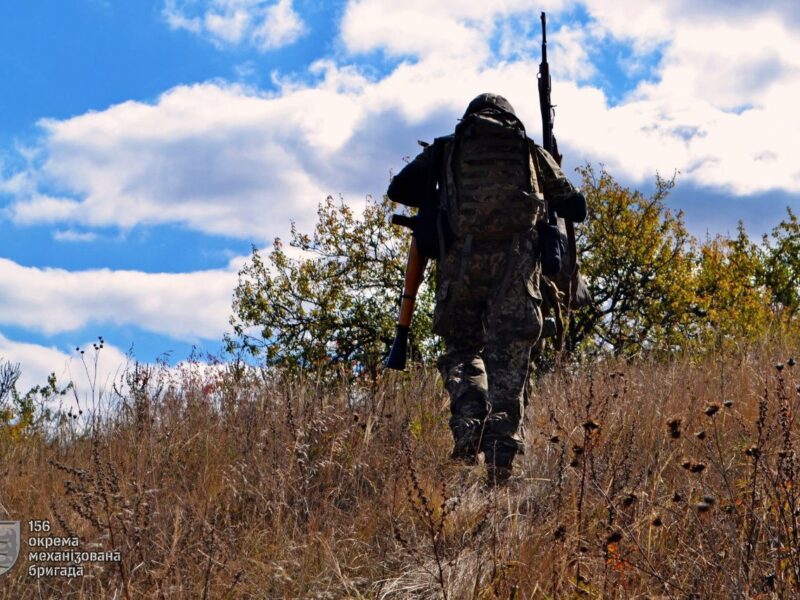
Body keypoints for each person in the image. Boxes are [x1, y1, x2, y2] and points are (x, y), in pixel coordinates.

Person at [387, 93, 585, 484]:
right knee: (508, 360)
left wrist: (443, 196)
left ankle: (468, 422)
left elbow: (399, 190)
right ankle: (500, 466)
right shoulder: (528, 151)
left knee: (463, 350)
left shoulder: (446, 149)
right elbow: (576, 207)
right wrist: (549, 177)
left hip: (459, 269)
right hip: (515, 272)